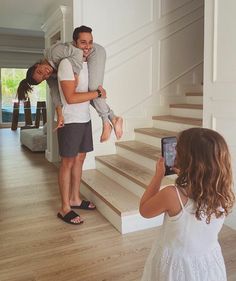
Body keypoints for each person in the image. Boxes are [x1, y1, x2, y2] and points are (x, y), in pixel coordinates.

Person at [139, 127, 235, 281]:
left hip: (175, 268)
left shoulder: (172, 195)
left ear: (186, 161)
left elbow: (144, 210)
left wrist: (158, 176)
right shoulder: (221, 194)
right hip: (208, 264)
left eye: (177, 151)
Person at [16, 26, 123, 142]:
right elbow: (55, 94)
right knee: (90, 95)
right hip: (87, 55)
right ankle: (112, 118)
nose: (45, 74)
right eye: (43, 77)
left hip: (94, 52)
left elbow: (77, 52)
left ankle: (107, 122)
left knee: (94, 90)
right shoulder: (50, 76)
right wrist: (60, 114)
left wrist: (75, 74)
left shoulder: (54, 53)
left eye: (40, 71)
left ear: (37, 65)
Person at [56, 27, 108, 224]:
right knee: (67, 163)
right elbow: (70, 97)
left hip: (84, 118)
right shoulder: (67, 64)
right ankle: (64, 207)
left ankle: (75, 198)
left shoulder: (87, 64)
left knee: (80, 159)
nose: (87, 46)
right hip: (70, 121)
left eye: (90, 42)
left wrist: (98, 93)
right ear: (75, 43)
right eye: (83, 42)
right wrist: (98, 94)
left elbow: (88, 90)